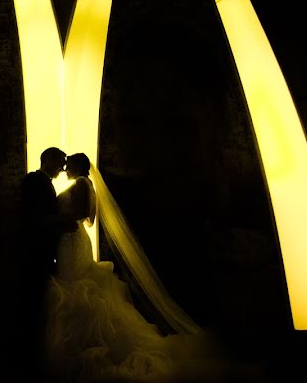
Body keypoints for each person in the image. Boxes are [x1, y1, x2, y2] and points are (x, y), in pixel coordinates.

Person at [44, 153, 227, 382]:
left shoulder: (81, 184)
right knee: (76, 288)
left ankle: (83, 350)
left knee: (76, 289)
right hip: (71, 239)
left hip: (72, 239)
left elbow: (84, 216)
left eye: (67, 164)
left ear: (78, 166)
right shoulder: (83, 184)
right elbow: (89, 219)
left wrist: (58, 219)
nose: (64, 168)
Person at [19, 146, 79, 379]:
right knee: (34, 301)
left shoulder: (43, 182)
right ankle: (31, 359)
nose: (63, 168)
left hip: (42, 250)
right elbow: (35, 217)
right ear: (48, 159)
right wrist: (63, 222)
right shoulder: (34, 181)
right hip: (33, 251)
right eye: (61, 162)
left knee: (42, 301)